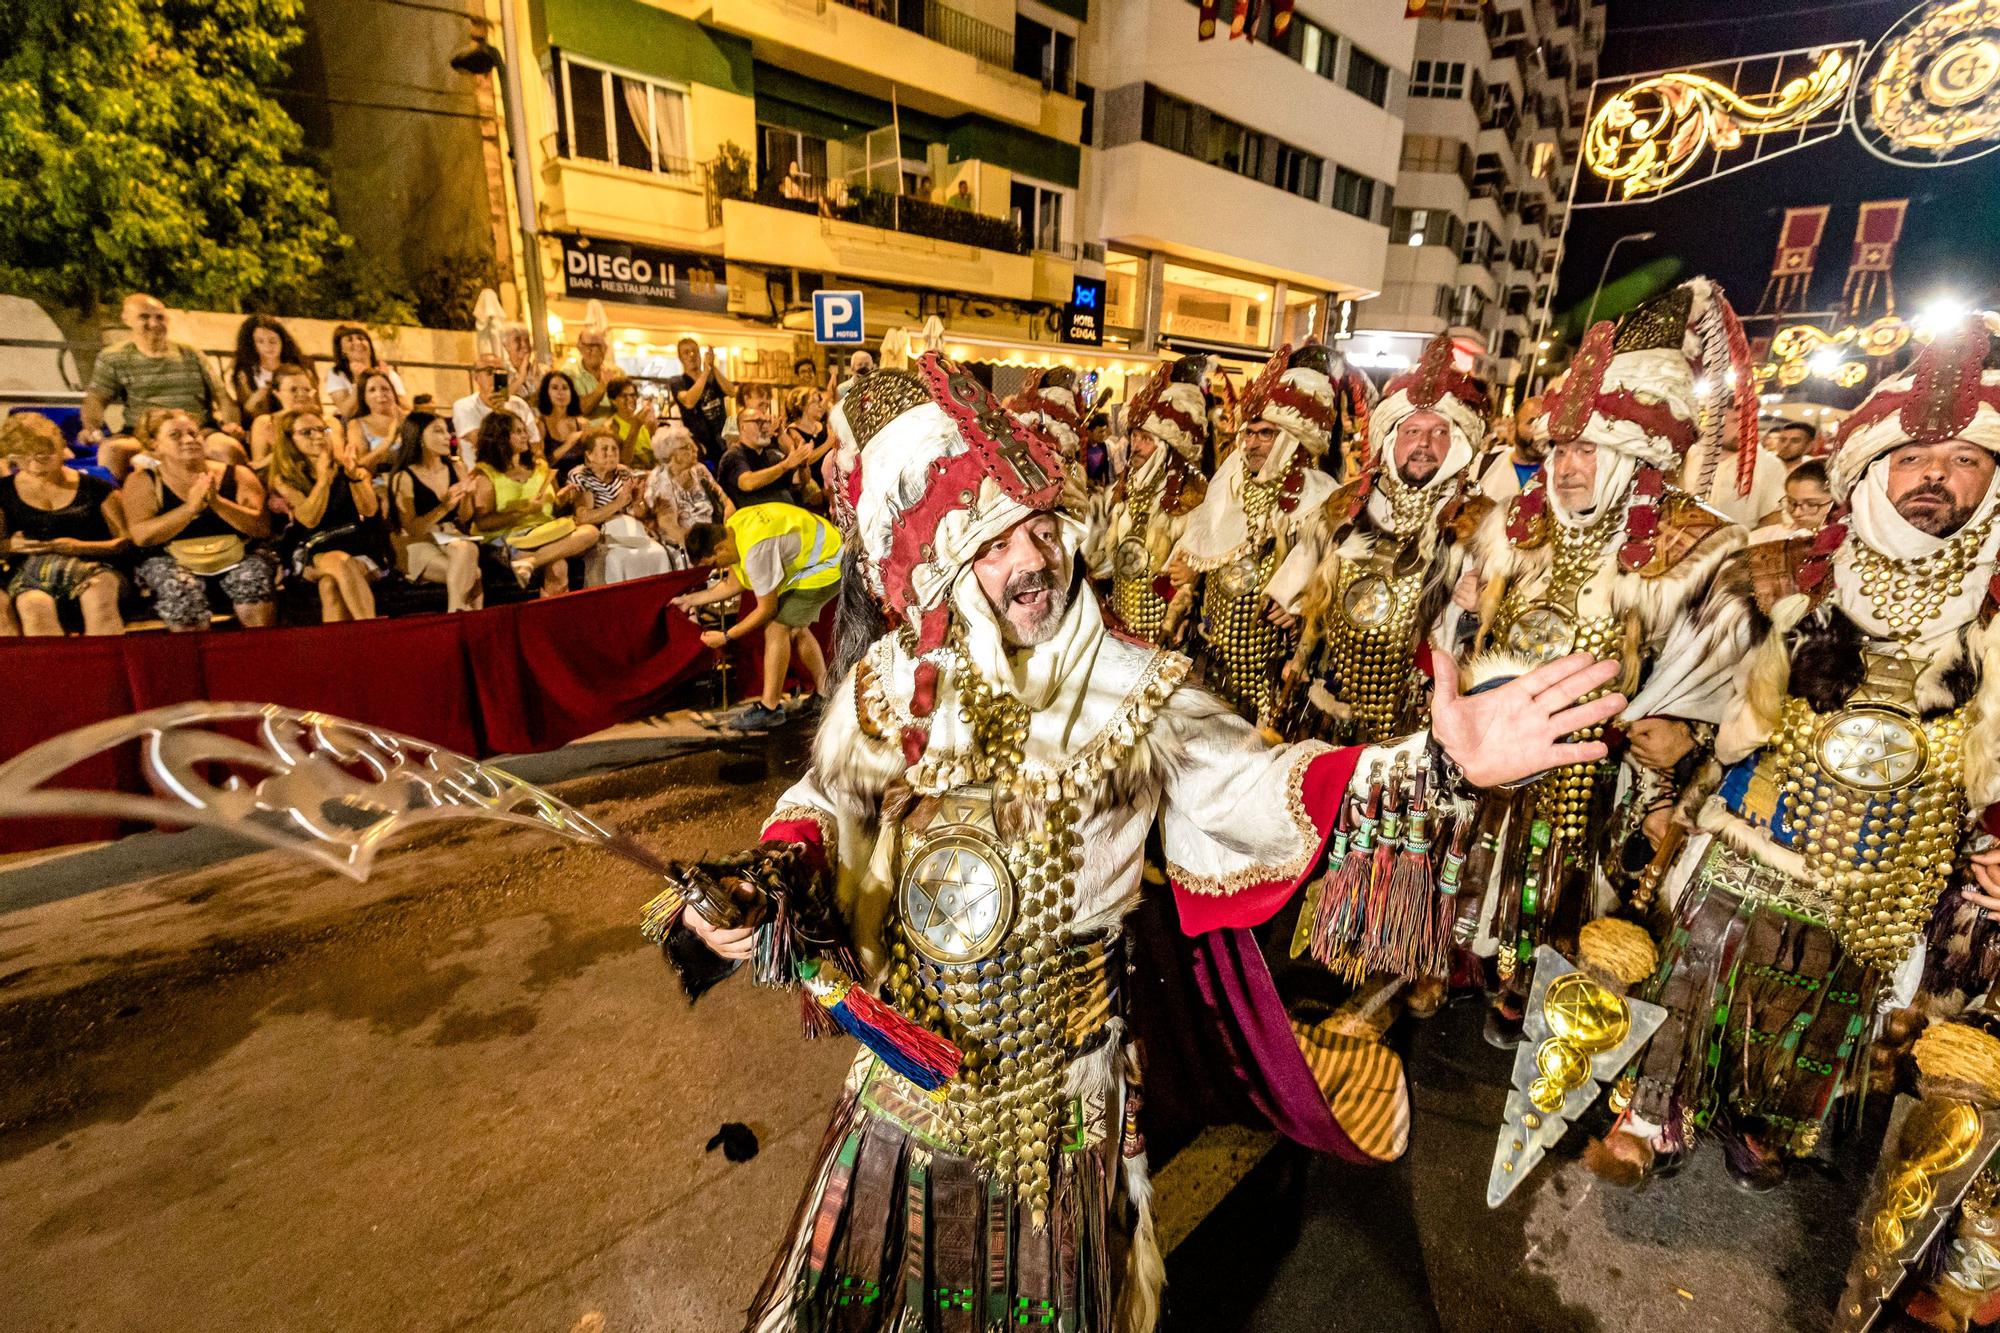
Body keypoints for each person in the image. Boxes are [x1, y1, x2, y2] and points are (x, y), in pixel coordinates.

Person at [647, 351, 1626, 1331]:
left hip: (1060, 1095)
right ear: (941, 568)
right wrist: (772, 874)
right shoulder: (892, 685)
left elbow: (1264, 788)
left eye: (1038, 528)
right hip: (902, 1084)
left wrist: (1433, 765)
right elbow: (826, 801)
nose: (1029, 558)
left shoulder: (1139, 688)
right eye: (992, 544)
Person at [1587, 313, 2000, 1209]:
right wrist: (1677, 772)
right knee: (1696, 969)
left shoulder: (1997, 607)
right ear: (1877, 470)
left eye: (1964, 459)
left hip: (1890, 863)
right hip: (1756, 827)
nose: (1935, 475)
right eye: (1915, 457)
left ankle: (1766, 1119)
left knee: (1820, 1001)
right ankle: (1651, 1110)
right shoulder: (1781, 565)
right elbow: (1692, 677)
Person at [1455, 279, 1750, 1046]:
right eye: (1559, 447)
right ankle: (1506, 972)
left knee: (1586, 904)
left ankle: (1554, 995)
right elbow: (1475, 638)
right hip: (1508, 769)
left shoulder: (1697, 551)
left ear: (1633, 455)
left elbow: (1724, 700)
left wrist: (1678, 767)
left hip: (1608, 786)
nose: (1567, 466)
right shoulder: (1514, 531)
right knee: (1498, 888)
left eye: (1587, 449)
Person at [1166, 343, 1346, 739]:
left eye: (1265, 434)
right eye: (1248, 432)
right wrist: (1189, 578)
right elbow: (1205, 548)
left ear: (1291, 440)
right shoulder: (1228, 483)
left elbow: (1329, 581)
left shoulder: (1320, 496)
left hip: (1273, 666)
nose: (1250, 443)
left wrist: (1301, 603)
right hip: (1211, 653)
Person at [672, 502, 841, 730]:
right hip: (819, 550)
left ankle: (770, 709)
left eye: (713, 563)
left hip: (827, 563)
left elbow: (766, 609)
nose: (716, 568)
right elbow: (733, 583)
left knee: (777, 626)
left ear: (719, 549)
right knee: (795, 625)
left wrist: (726, 636)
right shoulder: (733, 526)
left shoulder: (755, 549)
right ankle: (824, 692)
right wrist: (689, 600)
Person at [1085, 355, 1210, 643]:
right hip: (1118, 619)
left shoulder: (1194, 495)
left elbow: (1192, 571)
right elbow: (1104, 558)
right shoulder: (1124, 488)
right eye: (1134, 436)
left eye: (1145, 438)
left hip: (1163, 627)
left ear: (1167, 445)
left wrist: (1182, 598)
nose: (1135, 446)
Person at [122, 408, 278, 631]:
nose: (188, 440)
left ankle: (259, 654)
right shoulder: (142, 481)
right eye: (175, 435)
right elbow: (142, 536)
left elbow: (261, 528)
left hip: (237, 553)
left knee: (252, 585)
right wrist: (190, 508)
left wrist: (218, 503)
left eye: (193, 434)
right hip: (172, 559)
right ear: (155, 445)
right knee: (181, 595)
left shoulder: (238, 474)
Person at [82, 294, 242, 481]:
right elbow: (96, 398)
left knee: (228, 448)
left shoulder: (190, 354)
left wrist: (232, 424)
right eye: (144, 317)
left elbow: (221, 395)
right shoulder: (113, 357)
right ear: (127, 320)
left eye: (159, 317)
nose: (154, 323)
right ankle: (116, 506)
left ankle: (240, 503)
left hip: (196, 432)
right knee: (113, 450)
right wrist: (93, 429)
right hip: (144, 437)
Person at [0, 412, 129, 636]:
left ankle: (102, 667)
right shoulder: (3, 491)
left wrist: (79, 547)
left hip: (95, 566)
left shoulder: (96, 487)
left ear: (60, 449)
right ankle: (57, 670)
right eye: (22, 458)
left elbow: (128, 542)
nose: (33, 465)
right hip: (30, 573)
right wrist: (11, 545)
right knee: (33, 605)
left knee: (97, 596)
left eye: (42, 456)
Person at [267, 409, 382, 623]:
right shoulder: (284, 480)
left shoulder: (347, 468)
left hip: (355, 544)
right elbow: (309, 519)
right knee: (338, 561)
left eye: (322, 430)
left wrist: (354, 475)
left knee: (329, 585)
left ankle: (340, 653)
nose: (318, 436)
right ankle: (372, 629)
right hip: (313, 549)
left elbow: (369, 510)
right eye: (307, 432)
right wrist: (322, 481)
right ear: (290, 440)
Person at [468, 410, 598, 596]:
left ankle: (531, 563)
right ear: (500, 436)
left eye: (524, 430)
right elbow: (483, 522)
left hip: (544, 532)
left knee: (591, 532)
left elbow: (552, 507)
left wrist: (563, 497)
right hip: (508, 538)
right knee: (558, 566)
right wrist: (523, 511)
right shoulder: (485, 473)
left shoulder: (539, 466)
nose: (525, 436)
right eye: (518, 431)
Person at [387, 411, 482, 612]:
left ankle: (455, 618)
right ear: (418, 436)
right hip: (418, 542)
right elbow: (412, 529)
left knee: (465, 550)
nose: (448, 436)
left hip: (450, 536)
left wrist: (467, 497)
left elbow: (464, 517)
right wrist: (444, 507)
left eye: (447, 431)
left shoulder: (457, 468)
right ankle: (469, 626)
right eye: (438, 431)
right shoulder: (404, 477)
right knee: (473, 573)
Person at [566, 430, 672, 585]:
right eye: (604, 449)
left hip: (632, 533)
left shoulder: (623, 472)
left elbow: (638, 513)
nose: (610, 453)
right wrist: (618, 503)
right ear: (589, 455)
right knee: (617, 559)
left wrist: (637, 503)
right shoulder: (579, 475)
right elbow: (584, 518)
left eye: (614, 449)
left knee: (659, 553)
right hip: (602, 538)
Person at [1679, 399, 1789, 528]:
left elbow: (1772, 519)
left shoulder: (1769, 465)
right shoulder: (1690, 455)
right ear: (1715, 422)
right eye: (1736, 421)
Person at [645, 423, 731, 567]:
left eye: (693, 446)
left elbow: (724, 500)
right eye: (687, 447)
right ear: (671, 453)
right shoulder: (659, 479)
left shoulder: (700, 471)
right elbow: (668, 525)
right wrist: (700, 548)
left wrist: (728, 526)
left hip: (713, 533)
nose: (695, 450)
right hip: (687, 543)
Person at [452, 356, 541, 469]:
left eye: (500, 371)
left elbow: (534, 443)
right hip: (483, 475)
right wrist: (498, 411)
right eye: (489, 372)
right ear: (476, 377)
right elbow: (484, 445)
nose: (495, 376)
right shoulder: (464, 406)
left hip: (517, 473)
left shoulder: (518, 403)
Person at [717, 398, 807, 509]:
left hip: (784, 517)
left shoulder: (771, 456)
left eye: (766, 422)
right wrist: (785, 466)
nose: (764, 426)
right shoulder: (733, 455)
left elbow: (801, 481)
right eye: (758, 422)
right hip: (754, 520)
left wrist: (802, 463)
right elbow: (747, 483)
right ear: (743, 427)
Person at [227, 315, 310, 426]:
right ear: (254, 345)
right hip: (264, 426)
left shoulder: (298, 369)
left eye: (272, 341)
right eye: (260, 341)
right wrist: (259, 395)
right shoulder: (246, 374)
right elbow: (247, 413)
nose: (268, 346)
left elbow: (314, 405)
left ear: (282, 341)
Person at [668, 337, 732, 462]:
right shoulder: (678, 381)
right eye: (686, 352)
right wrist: (705, 373)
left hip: (723, 441)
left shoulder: (712, 377)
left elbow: (731, 391)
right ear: (680, 358)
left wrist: (712, 367)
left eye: (695, 351)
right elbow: (689, 402)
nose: (692, 355)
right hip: (700, 447)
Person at [248, 365, 320, 474]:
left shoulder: (327, 423)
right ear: (277, 393)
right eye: (293, 389)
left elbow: (336, 458)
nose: (301, 394)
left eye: (306, 389)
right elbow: (258, 467)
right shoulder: (266, 422)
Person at [322, 324, 407, 418]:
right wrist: (359, 381)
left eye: (361, 338)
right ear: (342, 350)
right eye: (350, 340)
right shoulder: (337, 374)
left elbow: (404, 407)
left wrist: (385, 380)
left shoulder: (388, 373)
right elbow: (346, 412)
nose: (357, 342)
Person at [1474, 394, 1546, 503]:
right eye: (1532, 422)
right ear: (1513, 426)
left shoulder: (1556, 474)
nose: (1541, 430)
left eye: (1545, 423)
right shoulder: (1484, 464)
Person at [1749, 457, 1833, 543]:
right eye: (1792, 503)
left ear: (1835, 502)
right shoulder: (1770, 537)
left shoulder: (1843, 542)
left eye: (1811, 504)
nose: (1797, 513)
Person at [344, 369, 405, 474]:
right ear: (364, 396)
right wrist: (389, 439)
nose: (380, 394)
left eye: (385, 389)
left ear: (393, 393)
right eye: (372, 390)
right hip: (378, 484)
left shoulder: (408, 419)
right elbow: (359, 465)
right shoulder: (356, 424)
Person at [537, 371, 587, 475]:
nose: (561, 393)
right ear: (547, 393)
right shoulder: (540, 424)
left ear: (571, 393)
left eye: (565, 388)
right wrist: (568, 444)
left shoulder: (582, 423)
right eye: (555, 388)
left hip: (580, 481)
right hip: (553, 483)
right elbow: (541, 466)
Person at [562, 329, 619, 419]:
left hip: (612, 431)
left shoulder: (617, 372)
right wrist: (603, 385)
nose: (595, 350)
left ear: (606, 348)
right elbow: (581, 408)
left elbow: (624, 409)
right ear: (579, 347)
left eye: (599, 346)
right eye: (589, 346)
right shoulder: (568, 373)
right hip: (584, 432)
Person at [603, 377, 659, 467]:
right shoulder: (610, 426)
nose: (630, 399)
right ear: (613, 401)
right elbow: (623, 461)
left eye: (632, 395)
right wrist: (635, 427)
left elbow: (658, 453)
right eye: (623, 396)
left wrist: (654, 430)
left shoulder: (643, 420)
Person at [500, 322, 545, 402]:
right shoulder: (499, 373)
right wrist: (521, 377)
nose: (524, 345)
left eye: (527, 340)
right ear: (506, 346)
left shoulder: (542, 370)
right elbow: (500, 401)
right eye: (517, 340)